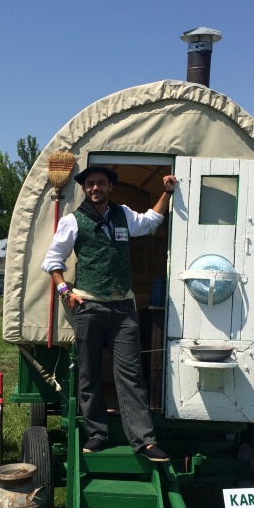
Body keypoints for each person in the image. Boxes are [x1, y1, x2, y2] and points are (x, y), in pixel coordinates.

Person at [42, 165, 174, 462]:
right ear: (85, 188)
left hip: (123, 308)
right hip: (88, 306)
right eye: (90, 184)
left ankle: (144, 441)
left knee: (130, 374)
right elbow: (52, 260)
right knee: (89, 372)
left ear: (110, 187)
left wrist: (167, 193)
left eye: (101, 183)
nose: (95, 188)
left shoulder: (123, 214)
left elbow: (151, 222)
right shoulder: (73, 221)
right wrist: (65, 291)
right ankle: (97, 433)